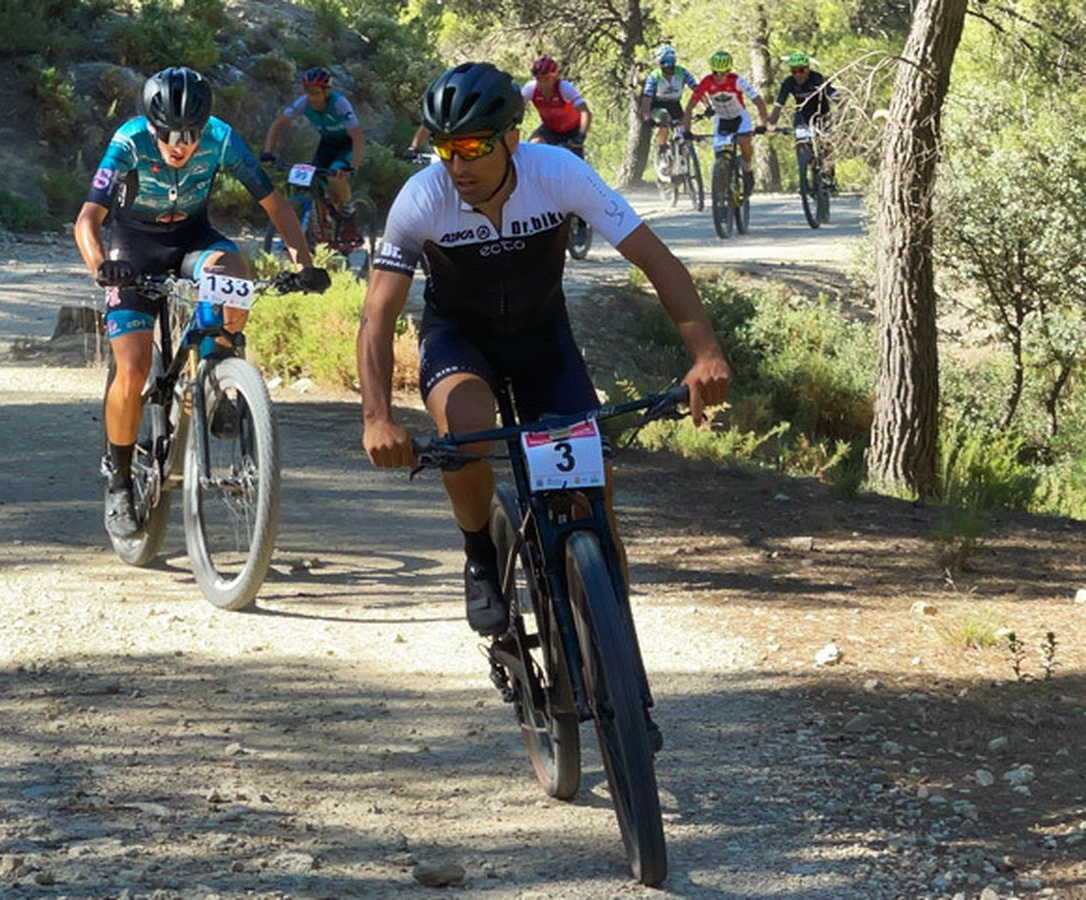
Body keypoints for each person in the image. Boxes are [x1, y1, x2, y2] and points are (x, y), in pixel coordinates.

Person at [357, 62, 731, 643]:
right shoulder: (423, 196)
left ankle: (615, 659)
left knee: (591, 502)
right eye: (445, 148)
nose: (457, 165)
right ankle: (480, 554)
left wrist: (705, 352)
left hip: (542, 338)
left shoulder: (558, 172)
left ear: (512, 138)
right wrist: (377, 416)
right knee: (468, 429)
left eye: (472, 147)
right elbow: (377, 315)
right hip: (459, 339)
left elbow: (656, 260)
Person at [74, 66, 328, 539]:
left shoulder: (222, 139)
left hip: (193, 239)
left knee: (233, 268)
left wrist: (304, 263)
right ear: (152, 126)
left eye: (191, 134)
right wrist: (102, 266)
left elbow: (274, 203)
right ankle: (120, 480)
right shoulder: (128, 141)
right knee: (133, 366)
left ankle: (220, 366)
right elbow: (88, 219)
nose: (180, 144)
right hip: (132, 251)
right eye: (170, 134)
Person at [261, 66, 366, 216]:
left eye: (316, 93)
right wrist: (268, 152)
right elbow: (278, 124)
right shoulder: (303, 103)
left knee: (334, 177)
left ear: (327, 92)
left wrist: (353, 167)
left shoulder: (339, 104)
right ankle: (322, 215)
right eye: (308, 92)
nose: (311, 98)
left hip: (347, 144)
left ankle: (348, 207)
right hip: (327, 144)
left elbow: (357, 136)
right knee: (314, 178)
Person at [682, 50, 771, 196]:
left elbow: (759, 101)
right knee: (720, 156)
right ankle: (721, 196)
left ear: (728, 71)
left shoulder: (737, 81)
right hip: (721, 119)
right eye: (715, 72)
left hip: (740, 118)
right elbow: (689, 107)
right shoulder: (707, 82)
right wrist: (687, 130)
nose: (718, 76)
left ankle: (748, 171)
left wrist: (763, 124)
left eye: (722, 73)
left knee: (744, 142)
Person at [770, 51, 840, 186]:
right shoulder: (789, 82)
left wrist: (839, 100)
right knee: (800, 142)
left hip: (821, 114)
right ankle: (806, 171)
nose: (798, 75)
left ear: (808, 69)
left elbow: (831, 92)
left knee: (826, 144)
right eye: (794, 71)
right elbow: (779, 104)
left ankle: (829, 174)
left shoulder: (816, 78)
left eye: (801, 70)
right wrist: (771, 123)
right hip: (802, 115)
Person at [521, 56, 590, 153]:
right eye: (539, 79)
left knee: (573, 159)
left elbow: (585, 112)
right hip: (550, 129)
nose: (542, 84)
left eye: (546, 79)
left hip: (572, 131)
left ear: (554, 78)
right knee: (533, 147)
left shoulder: (564, 88)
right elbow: (516, 107)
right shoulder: (531, 88)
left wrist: (580, 138)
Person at [639, 44, 696, 154]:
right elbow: (647, 98)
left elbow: (697, 89)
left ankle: (685, 154)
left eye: (671, 62)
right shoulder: (654, 76)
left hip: (674, 105)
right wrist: (647, 116)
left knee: (684, 129)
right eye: (665, 62)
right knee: (664, 118)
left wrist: (708, 106)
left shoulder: (682, 72)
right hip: (657, 105)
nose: (668, 66)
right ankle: (662, 150)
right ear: (659, 63)